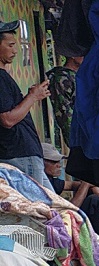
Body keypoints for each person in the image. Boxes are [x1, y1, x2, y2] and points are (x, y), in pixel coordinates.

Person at [0, 19, 54, 191]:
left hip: (23, 154)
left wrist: (30, 97)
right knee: (42, 212)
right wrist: (33, 96)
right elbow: (7, 119)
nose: (15, 51)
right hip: (20, 154)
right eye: (10, 45)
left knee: (54, 210)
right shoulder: (0, 78)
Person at [42, 143, 99, 235]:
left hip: (62, 218)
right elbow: (72, 209)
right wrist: (86, 183)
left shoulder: (51, 180)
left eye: (59, 162)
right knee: (94, 201)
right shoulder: (41, 182)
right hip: (55, 224)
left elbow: (72, 185)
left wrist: (95, 187)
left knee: (93, 197)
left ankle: (94, 239)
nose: (59, 165)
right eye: (54, 162)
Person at [47, 55, 83, 142]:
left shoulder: (79, 75)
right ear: (73, 55)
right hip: (79, 135)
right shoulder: (62, 78)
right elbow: (65, 113)